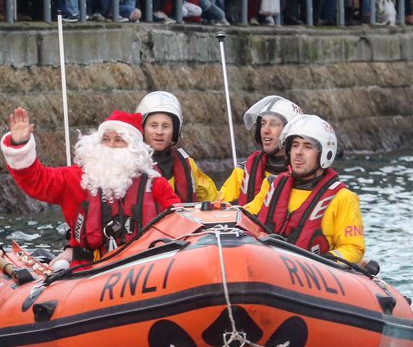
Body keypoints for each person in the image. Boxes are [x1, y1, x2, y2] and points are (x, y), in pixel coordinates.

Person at [2, 107, 180, 266]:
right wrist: (20, 145)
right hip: (88, 271)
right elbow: (36, 180)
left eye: (119, 140)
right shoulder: (77, 179)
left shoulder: (155, 184)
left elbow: (179, 220)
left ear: (133, 149)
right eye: (105, 139)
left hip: (145, 266)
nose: (111, 146)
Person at [242, 114, 365, 264]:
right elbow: (245, 217)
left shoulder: (343, 198)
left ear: (324, 154)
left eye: (307, 146)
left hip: (315, 270)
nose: (298, 152)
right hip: (266, 263)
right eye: (295, 145)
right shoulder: (272, 186)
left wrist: (325, 261)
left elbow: (353, 248)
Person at [135, 91, 217, 202]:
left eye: (165, 126)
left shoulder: (187, 164)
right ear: (142, 128)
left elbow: (212, 199)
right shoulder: (130, 163)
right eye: (153, 125)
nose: (159, 132)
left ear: (174, 131)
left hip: (181, 213)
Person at [219, 95, 302, 205]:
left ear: (290, 131)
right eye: (263, 124)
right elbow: (218, 209)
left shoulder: (306, 179)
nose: (265, 130)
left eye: (273, 124)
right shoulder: (242, 172)